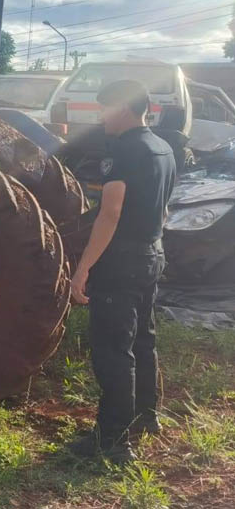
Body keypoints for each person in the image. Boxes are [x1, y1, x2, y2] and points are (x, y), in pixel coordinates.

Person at [68, 80, 176, 463]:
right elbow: (164, 209)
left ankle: (112, 442)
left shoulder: (123, 151)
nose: (101, 117)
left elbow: (110, 213)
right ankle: (146, 416)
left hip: (120, 264)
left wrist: (83, 268)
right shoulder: (163, 148)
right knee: (143, 340)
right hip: (151, 255)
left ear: (124, 108)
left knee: (113, 350)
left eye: (105, 108)